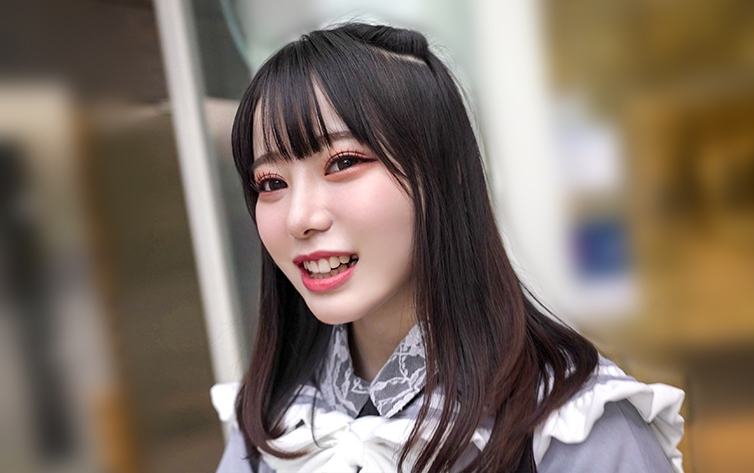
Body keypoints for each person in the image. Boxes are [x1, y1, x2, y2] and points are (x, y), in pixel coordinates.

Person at [212, 22, 684, 473]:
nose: (299, 218)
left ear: (443, 173)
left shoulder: (574, 425)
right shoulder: (273, 423)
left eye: (343, 162)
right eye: (270, 183)